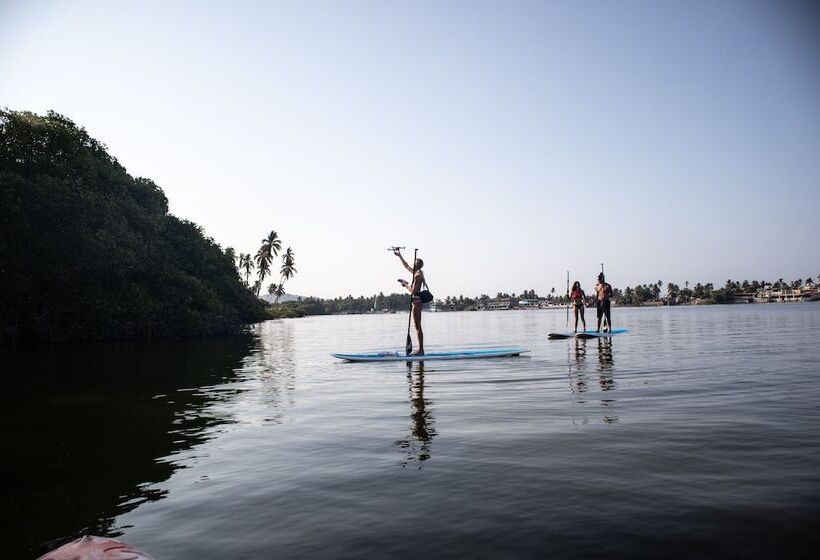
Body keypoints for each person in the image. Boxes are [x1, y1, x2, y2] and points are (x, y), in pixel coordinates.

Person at [395, 249, 425, 355]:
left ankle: (421, 350)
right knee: (417, 326)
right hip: (416, 303)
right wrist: (400, 256)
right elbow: (406, 266)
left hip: (417, 303)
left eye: (413, 263)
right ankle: (420, 350)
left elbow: (414, 291)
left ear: (416, 265)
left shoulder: (417, 276)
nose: (412, 264)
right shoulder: (416, 273)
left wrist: (406, 285)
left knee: (417, 326)